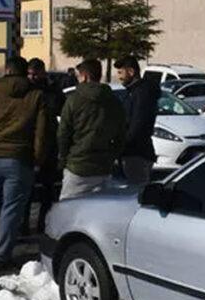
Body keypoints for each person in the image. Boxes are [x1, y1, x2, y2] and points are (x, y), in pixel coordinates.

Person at [0, 56, 47, 270]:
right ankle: (2, 256)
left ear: (6, 70)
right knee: (11, 210)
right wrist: (37, 159)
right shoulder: (36, 96)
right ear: (25, 72)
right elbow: (41, 134)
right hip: (20, 158)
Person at [57, 59, 125, 200]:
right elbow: (121, 134)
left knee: (68, 211)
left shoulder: (74, 100)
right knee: (98, 213)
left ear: (85, 77)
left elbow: (63, 133)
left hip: (77, 165)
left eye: (78, 76)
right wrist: (112, 156)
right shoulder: (114, 101)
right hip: (103, 166)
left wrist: (63, 158)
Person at [22, 58, 64, 233]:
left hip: (49, 143)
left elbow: (61, 110)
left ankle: (42, 222)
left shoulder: (52, 90)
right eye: (29, 74)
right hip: (28, 142)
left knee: (47, 188)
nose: (32, 77)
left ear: (42, 73)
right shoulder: (25, 90)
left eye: (35, 74)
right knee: (25, 188)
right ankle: (23, 223)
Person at [115, 55, 159, 185]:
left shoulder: (141, 93)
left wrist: (123, 145)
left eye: (120, 72)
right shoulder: (134, 92)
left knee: (135, 193)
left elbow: (137, 124)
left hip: (136, 153)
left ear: (131, 72)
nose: (119, 77)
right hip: (135, 152)